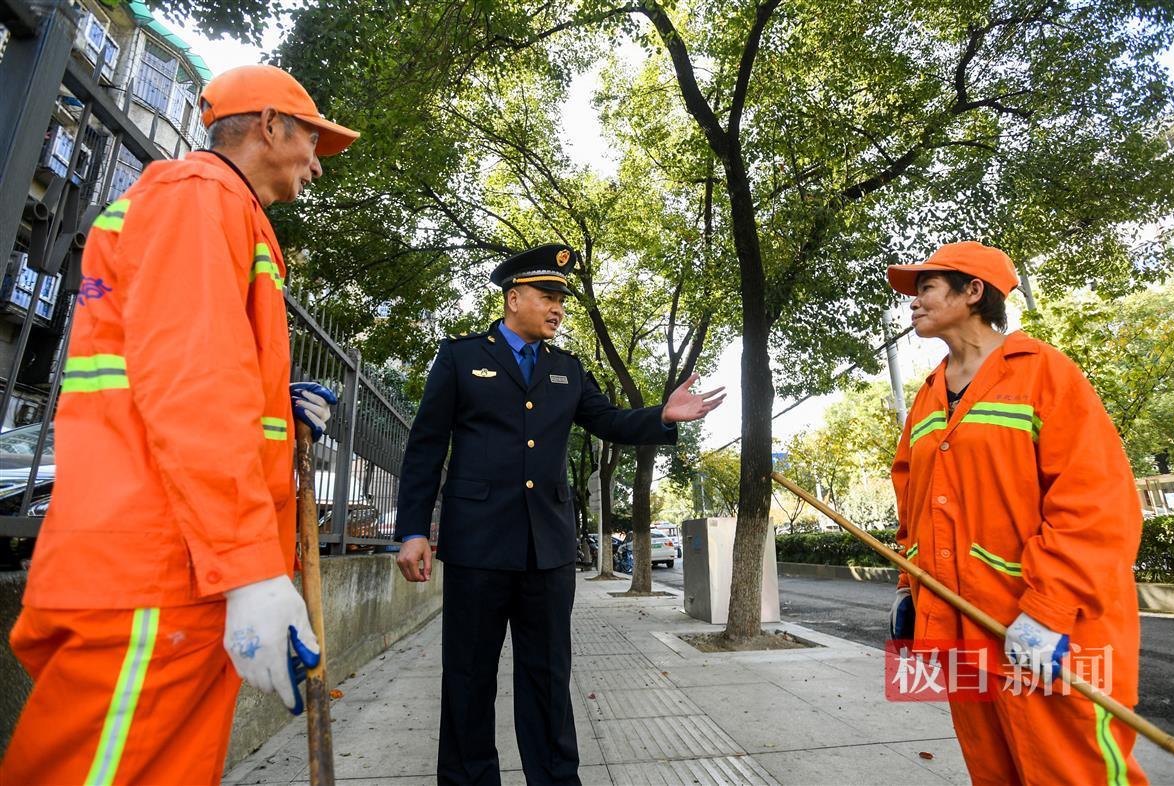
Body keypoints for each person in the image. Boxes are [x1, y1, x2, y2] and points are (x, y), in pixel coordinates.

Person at [1, 65, 359, 785]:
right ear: (268, 126)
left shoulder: (213, 208)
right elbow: (193, 385)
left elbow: (187, 367)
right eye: (312, 142)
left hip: (179, 573)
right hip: (159, 570)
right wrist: (251, 570)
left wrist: (275, 404)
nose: (317, 164)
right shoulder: (198, 197)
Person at [393, 244, 724, 786]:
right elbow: (426, 448)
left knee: (548, 676)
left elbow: (610, 421)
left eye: (561, 301)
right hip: (477, 545)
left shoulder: (567, 370)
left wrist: (661, 415)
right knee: (468, 677)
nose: (557, 309)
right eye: (547, 297)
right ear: (513, 297)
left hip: (546, 548)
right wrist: (412, 531)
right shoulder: (458, 358)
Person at [886, 241, 1146, 785]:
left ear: (973, 291)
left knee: (1072, 772)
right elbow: (912, 501)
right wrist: (911, 590)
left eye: (926, 287)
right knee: (994, 771)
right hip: (963, 630)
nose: (913, 301)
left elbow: (1097, 506)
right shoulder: (930, 393)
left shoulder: (1044, 373)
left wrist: (1048, 611)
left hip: (1050, 632)